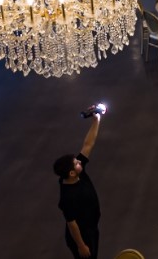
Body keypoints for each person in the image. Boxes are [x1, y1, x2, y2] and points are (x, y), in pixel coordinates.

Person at [54, 111, 102, 259]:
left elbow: (88, 144)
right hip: (82, 237)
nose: (79, 162)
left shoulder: (78, 173)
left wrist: (96, 120)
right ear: (72, 173)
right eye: (76, 163)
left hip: (92, 228)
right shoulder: (67, 197)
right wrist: (81, 245)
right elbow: (72, 224)